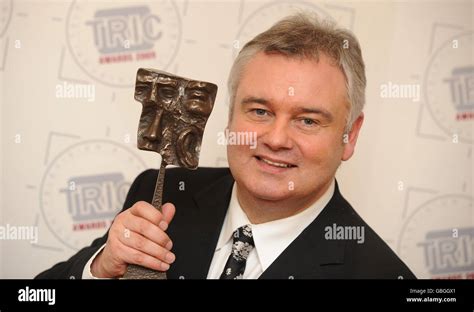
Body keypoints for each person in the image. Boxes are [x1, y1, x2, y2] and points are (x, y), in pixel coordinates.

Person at [36, 13, 416, 279]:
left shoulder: (380, 272)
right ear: (230, 116)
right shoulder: (163, 194)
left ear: (350, 136)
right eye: (260, 111)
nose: (276, 139)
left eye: (308, 120)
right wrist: (101, 270)